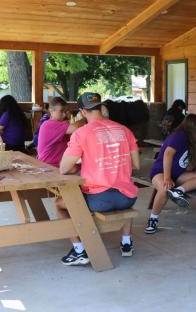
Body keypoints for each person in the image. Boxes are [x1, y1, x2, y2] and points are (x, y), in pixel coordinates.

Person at [58, 92, 140, 265]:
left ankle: (79, 250)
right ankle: (126, 243)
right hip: (128, 198)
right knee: (126, 183)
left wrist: (86, 163)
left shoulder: (82, 133)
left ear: (82, 111)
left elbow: (64, 168)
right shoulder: (124, 130)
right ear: (101, 107)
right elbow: (137, 165)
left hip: (99, 199)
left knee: (60, 203)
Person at [145, 114, 196, 234]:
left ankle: (178, 191)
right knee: (164, 188)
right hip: (160, 172)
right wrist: (167, 178)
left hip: (178, 175)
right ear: (195, 129)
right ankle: (153, 220)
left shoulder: (194, 140)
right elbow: (168, 154)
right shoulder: (178, 136)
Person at [37, 97, 85, 167]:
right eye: (61, 111)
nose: (64, 114)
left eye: (65, 111)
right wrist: (85, 117)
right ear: (51, 111)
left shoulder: (60, 125)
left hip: (55, 166)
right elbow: (76, 127)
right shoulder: (49, 124)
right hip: (50, 167)